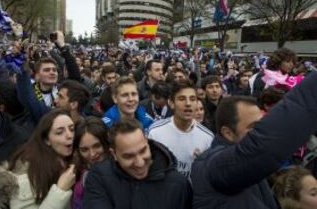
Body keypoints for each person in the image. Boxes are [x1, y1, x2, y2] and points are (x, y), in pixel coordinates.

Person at [191, 71, 317, 209]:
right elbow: (263, 148)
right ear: (227, 133)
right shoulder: (214, 167)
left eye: (262, 125)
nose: (260, 133)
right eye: (254, 128)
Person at [83, 118, 192, 209]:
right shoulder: (98, 179)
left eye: (142, 151)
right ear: (114, 154)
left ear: (147, 142)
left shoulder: (178, 184)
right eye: (128, 156)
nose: (139, 163)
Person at [0, 109, 76, 209]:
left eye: (72, 129)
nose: (69, 135)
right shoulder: (28, 176)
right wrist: (60, 191)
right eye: (60, 132)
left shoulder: (72, 162)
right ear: (46, 140)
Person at [148, 80, 213, 176]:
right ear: (171, 103)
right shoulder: (155, 133)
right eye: (182, 99)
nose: (188, 103)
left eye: (192, 99)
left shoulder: (208, 137)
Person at [72, 117, 109, 209]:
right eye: (84, 150)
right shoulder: (75, 174)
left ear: (106, 143)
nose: (92, 154)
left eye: (97, 146)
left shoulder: (122, 168)